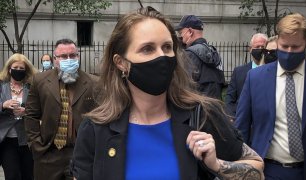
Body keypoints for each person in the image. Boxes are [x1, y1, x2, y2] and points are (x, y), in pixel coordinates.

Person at [71, 6, 264, 180]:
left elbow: (257, 166)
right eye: (147, 49)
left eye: (167, 47)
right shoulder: (95, 129)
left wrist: (216, 165)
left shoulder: (202, 115)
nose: (162, 56)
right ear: (121, 63)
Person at [235, 13, 306, 179]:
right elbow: (241, 128)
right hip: (267, 170)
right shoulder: (255, 78)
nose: (289, 52)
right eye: (284, 46)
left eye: (295, 47)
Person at [25, 39, 97, 180]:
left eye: (73, 55)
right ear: (55, 59)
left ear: (78, 56)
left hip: (80, 154)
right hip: (48, 153)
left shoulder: (94, 83)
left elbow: (100, 117)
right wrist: (36, 145)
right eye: (64, 56)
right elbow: (31, 115)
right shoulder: (40, 80)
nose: (69, 59)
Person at [0, 53, 37, 180]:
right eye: (16, 67)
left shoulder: (31, 87)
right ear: (9, 69)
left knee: (29, 175)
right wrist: (3, 105)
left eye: (22, 68)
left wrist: (26, 112)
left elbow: (40, 109)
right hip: (6, 140)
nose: (18, 71)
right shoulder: (1, 86)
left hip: (27, 139)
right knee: (12, 175)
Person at [175, 15, 225, 99]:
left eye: (181, 33)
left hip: (198, 108)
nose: (180, 37)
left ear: (190, 31)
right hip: (216, 107)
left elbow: (185, 87)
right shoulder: (214, 53)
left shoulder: (190, 54)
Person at [225, 33, 268, 117]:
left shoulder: (273, 71)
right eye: (257, 47)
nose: (260, 49)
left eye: (263, 47)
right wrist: (231, 117)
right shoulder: (239, 72)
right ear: (250, 49)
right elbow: (230, 99)